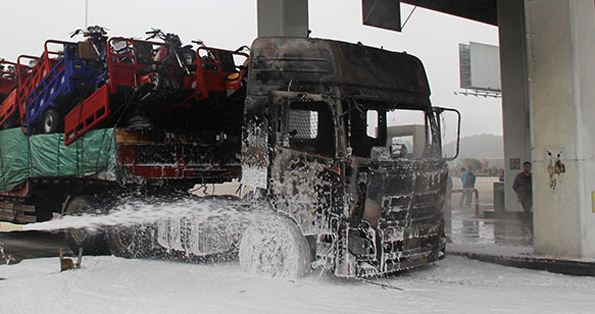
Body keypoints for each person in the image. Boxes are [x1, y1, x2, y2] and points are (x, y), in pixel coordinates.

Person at [513, 161, 533, 228]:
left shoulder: (532, 177)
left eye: (528, 167)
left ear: (530, 167)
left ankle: (525, 223)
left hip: (530, 196)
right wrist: (519, 193)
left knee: (527, 210)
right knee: (526, 209)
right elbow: (514, 186)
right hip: (523, 197)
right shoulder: (519, 177)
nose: (526, 168)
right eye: (525, 167)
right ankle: (526, 224)